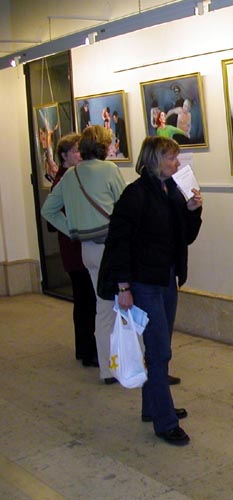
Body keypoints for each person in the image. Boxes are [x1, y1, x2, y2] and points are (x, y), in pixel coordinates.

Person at [98, 136, 203, 445]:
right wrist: (123, 286)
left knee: (160, 348)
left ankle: (152, 406)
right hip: (143, 282)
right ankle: (165, 421)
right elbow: (119, 243)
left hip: (166, 277)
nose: (177, 163)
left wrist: (193, 210)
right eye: (171, 158)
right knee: (159, 351)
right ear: (155, 160)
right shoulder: (135, 194)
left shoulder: (170, 191)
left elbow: (185, 237)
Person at [41, 125, 126, 385]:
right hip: (109, 249)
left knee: (102, 309)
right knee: (123, 306)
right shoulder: (109, 170)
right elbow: (124, 209)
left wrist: (72, 229)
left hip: (87, 249)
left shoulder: (70, 176)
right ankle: (129, 360)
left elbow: (48, 210)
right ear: (103, 146)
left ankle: (107, 369)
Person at [47, 133, 98, 367]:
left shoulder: (74, 177)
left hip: (79, 248)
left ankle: (84, 347)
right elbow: (51, 218)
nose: (80, 155)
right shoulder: (64, 180)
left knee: (85, 300)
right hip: (75, 250)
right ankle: (87, 350)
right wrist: (73, 229)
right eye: (76, 151)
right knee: (85, 300)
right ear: (64, 155)